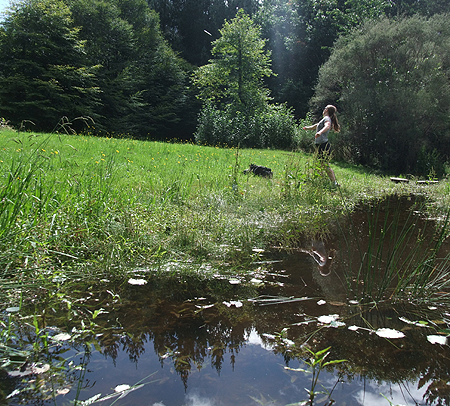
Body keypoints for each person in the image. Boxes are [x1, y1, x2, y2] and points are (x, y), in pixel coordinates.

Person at [302, 105, 340, 186]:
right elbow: (315, 126)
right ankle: (315, 181)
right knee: (319, 164)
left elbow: (327, 126)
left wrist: (320, 132)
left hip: (324, 146)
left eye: (325, 108)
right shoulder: (323, 119)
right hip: (320, 145)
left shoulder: (327, 119)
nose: (324, 109)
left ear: (326, 110)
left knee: (325, 165)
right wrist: (307, 128)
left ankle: (334, 183)